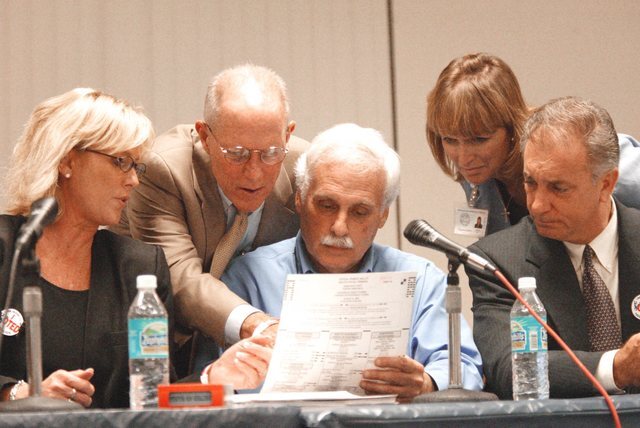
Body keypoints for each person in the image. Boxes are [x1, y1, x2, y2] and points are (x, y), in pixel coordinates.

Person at [213, 123, 483, 402]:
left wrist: (426, 383)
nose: (340, 228)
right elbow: (206, 386)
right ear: (299, 199)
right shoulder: (247, 278)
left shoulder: (420, 279)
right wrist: (222, 379)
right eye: (327, 206)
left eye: (360, 212)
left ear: (382, 215)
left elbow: (465, 368)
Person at [114, 65, 309, 373]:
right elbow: (180, 279)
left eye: (270, 153)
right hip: (157, 347)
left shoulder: (307, 169)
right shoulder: (162, 169)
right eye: (237, 154)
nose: (255, 173)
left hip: (264, 356)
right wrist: (256, 324)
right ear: (204, 136)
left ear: (288, 134)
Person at [0, 88, 170, 408]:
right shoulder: (5, 247)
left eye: (137, 166)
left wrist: (212, 376)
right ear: (67, 161)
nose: (133, 180)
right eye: (121, 161)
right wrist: (19, 394)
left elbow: (159, 391)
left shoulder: (140, 267)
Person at [466, 96, 640, 399]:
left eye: (558, 188)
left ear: (606, 183)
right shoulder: (497, 261)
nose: (537, 205)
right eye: (530, 182)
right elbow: (510, 370)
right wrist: (617, 368)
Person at [426, 53, 640, 236]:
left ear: (510, 128)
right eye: (450, 140)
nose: (464, 159)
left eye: (480, 140)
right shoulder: (478, 176)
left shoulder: (580, 150)